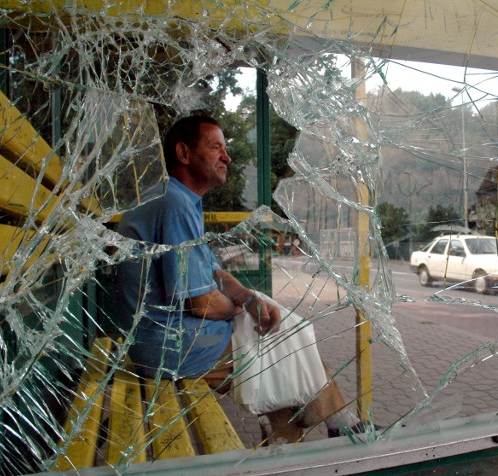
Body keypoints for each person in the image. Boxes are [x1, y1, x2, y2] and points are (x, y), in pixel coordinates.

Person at [117, 115, 369, 443]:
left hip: (165, 337)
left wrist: (249, 300)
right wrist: (239, 309)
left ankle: (308, 435)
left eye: (226, 148)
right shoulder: (174, 205)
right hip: (167, 346)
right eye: (215, 147)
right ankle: (333, 425)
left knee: (284, 339)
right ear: (184, 153)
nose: (227, 157)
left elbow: (212, 272)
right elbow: (201, 303)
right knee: (281, 351)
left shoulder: (178, 199)